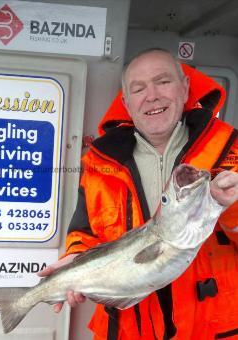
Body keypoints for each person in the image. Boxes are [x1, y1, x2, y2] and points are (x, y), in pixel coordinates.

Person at [39, 48, 238, 339]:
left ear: (184, 89)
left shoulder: (231, 151)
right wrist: (77, 259)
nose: (152, 95)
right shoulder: (98, 163)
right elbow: (83, 232)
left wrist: (231, 207)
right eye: (139, 88)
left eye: (163, 81)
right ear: (127, 103)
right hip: (127, 328)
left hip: (212, 327)